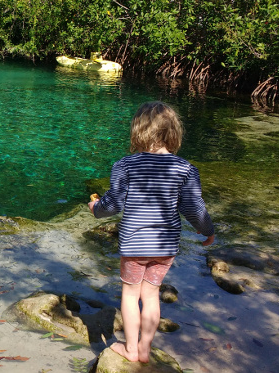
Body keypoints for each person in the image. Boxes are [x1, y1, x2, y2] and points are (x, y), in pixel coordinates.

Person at [88, 101, 215, 363]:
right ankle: (145, 350)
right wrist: (208, 231)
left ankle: (131, 349)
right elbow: (194, 209)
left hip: (134, 246)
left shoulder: (125, 165)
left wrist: (95, 208)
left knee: (131, 294)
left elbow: (112, 205)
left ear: (138, 131)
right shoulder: (185, 169)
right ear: (174, 133)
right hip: (165, 246)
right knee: (151, 294)